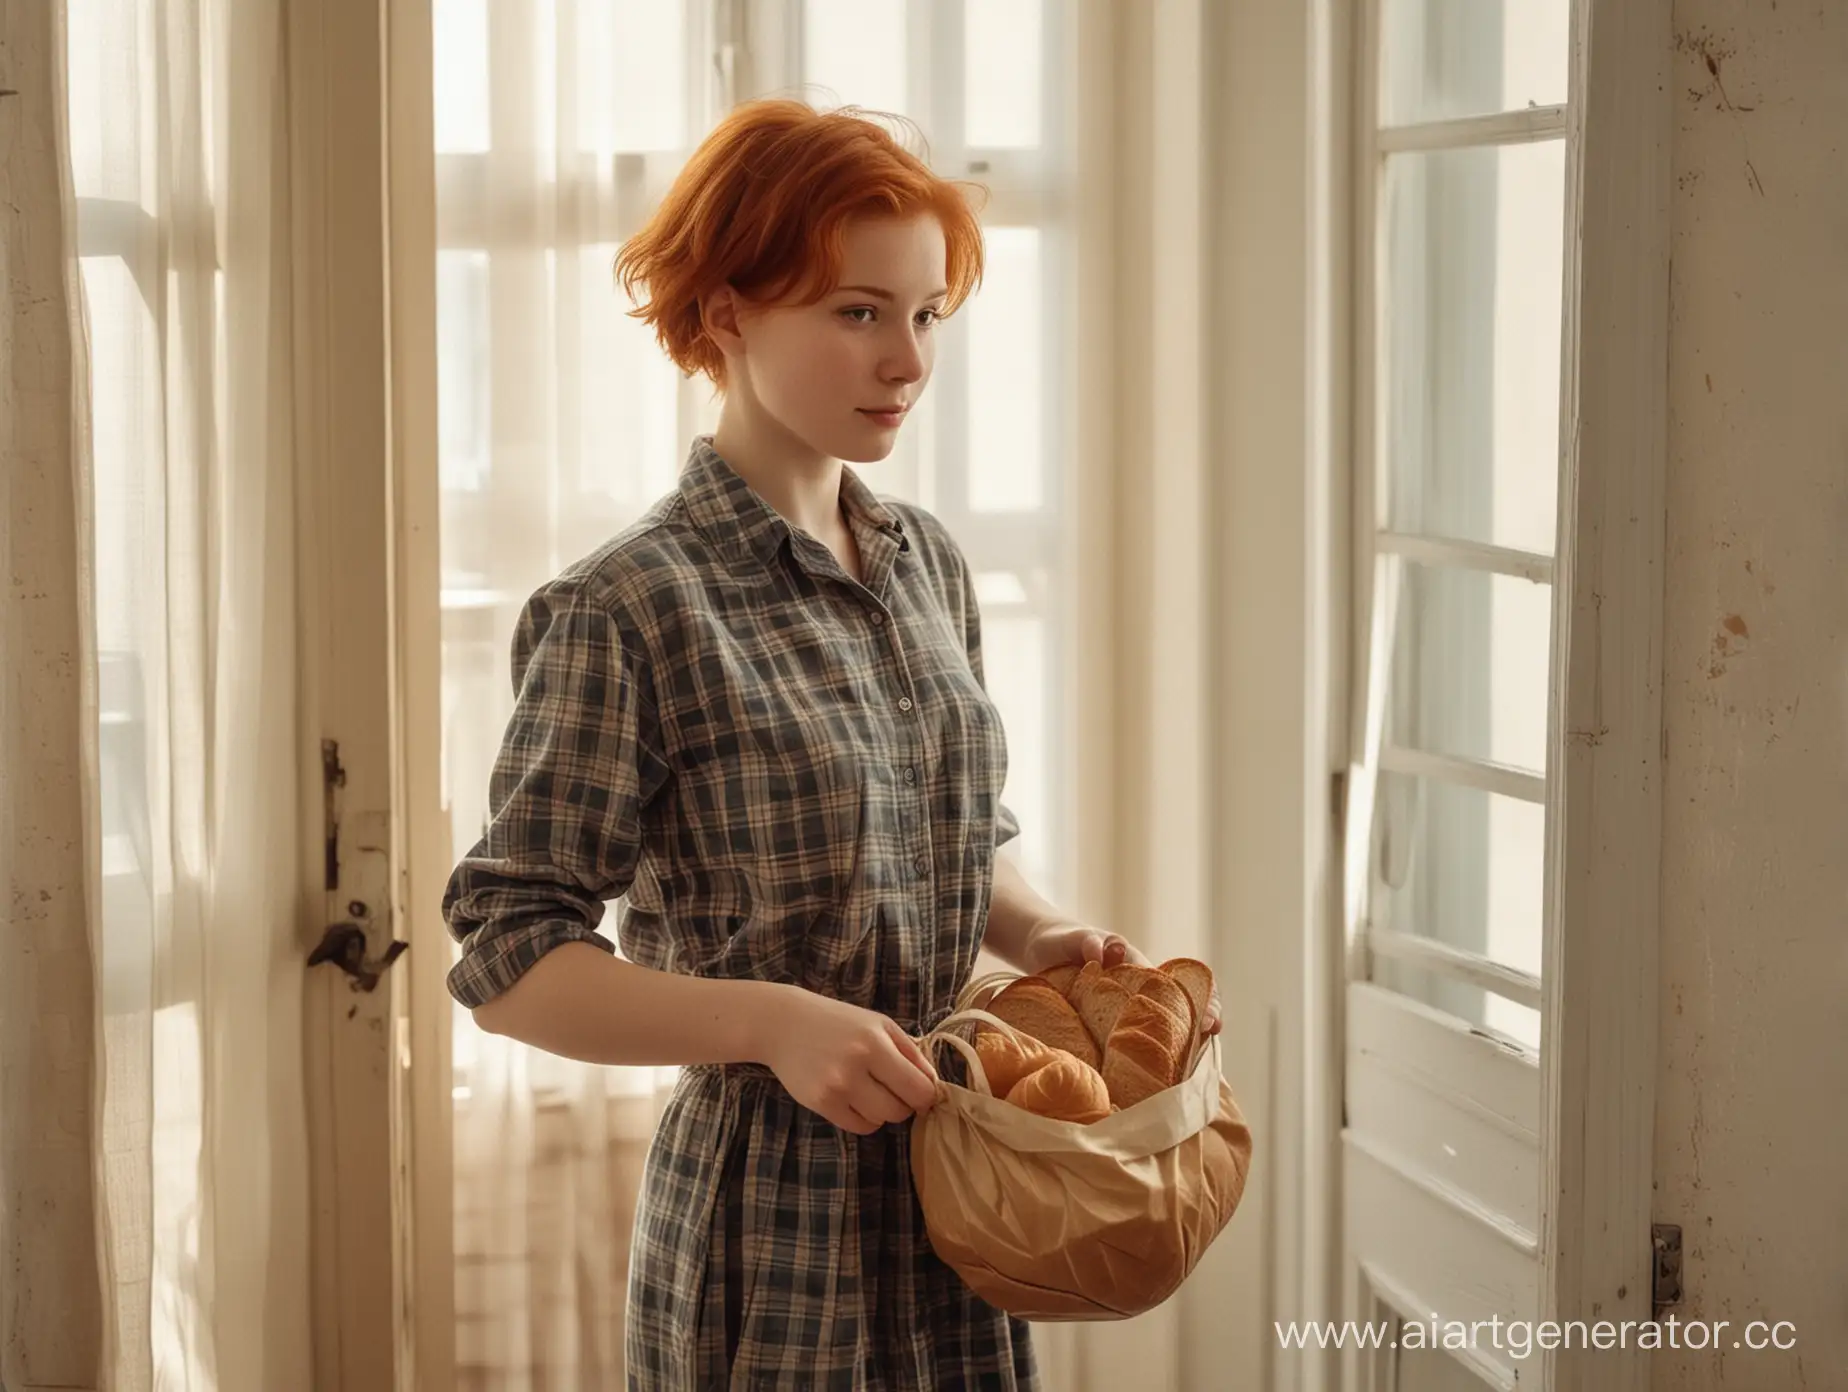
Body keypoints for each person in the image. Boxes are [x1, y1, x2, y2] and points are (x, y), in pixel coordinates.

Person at [442, 97, 1221, 1390]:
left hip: (971, 1182)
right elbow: (510, 954)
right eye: (858, 312)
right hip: (771, 1226)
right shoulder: (626, 608)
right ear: (727, 311)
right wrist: (771, 1024)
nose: (906, 361)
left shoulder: (929, 566)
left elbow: (960, 829)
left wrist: (1034, 932)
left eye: (925, 315)